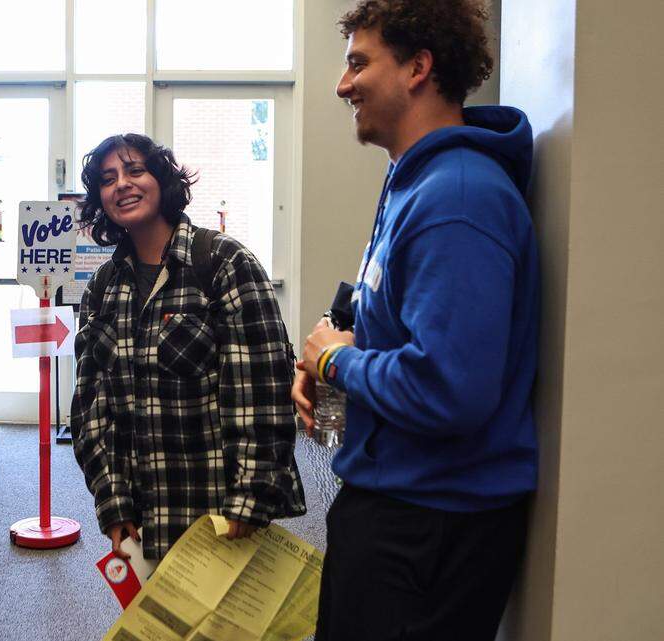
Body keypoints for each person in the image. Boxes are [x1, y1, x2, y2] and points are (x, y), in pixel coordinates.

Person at [292, 2, 540, 639]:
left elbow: (449, 388)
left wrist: (336, 360)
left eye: (358, 63)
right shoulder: (414, 182)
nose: (343, 85)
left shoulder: (457, 197)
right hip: (401, 506)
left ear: (418, 68)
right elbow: (390, 300)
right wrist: (329, 337)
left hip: (430, 528)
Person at [71, 133, 306, 562]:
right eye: (108, 179)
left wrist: (250, 497)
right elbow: (90, 408)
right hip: (143, 518)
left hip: (220, 513)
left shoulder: (223, 263)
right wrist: (112, 500)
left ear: (162, 180)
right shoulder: (103, 287)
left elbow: (264, 394)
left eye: (135, 170)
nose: (122, 183)